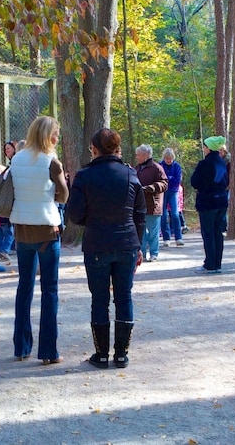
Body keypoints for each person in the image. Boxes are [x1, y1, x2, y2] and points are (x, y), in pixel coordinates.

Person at [67, 128, 145, 369]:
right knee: (124, 296)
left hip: (97, 244)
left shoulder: (84, 176)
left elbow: (75, 214)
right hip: (126, 244)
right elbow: (140, 214)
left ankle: (101, 355)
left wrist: (91, 217)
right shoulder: (131, 174)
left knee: (99, 299)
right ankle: (121, 354)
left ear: (94, 149)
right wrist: (138, 245)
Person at [9, 116, 68, 365]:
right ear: (47, 135)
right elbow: (64, 196)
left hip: (22, 229)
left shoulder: (17, 158)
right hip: (46, 230)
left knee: (24, 288)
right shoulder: (51, 161)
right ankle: (48, 351)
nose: (56, 138)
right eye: (55, 134)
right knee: (50, 290)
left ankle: (21, 347)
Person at [190, 136, 230, 273]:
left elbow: (194, 181)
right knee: (218, 233)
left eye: (205, 146)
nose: (204, 149)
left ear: (209, 148)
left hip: (208, 202)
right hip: (221, 201)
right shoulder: (222, 162)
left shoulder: (204, 163)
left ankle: (209, 264)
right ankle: (217, 263)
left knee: (208, 234)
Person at [134, 145, 168, 262]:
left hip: (153, 206)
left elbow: (164, 184)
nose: (136, 157)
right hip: (139, 206)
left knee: (153, 232)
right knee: (141, 231)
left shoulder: (157, 168)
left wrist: (151, 188)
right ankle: (142, 253)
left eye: (138, 155)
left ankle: (154, 253)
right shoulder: (136, 169)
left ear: (145, 155)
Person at [159, 148, 184, 248]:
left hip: (173, 191)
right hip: (163, 192)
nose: (168, 160)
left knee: (175, 214)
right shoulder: (160, 165)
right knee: (163, 215)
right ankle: (166, 238)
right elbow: (160, 178)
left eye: (170, 159)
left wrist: (168, 179)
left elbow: (177, 180)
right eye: (167, 158)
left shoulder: (177, 166)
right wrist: (169, 179)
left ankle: (178, 237)